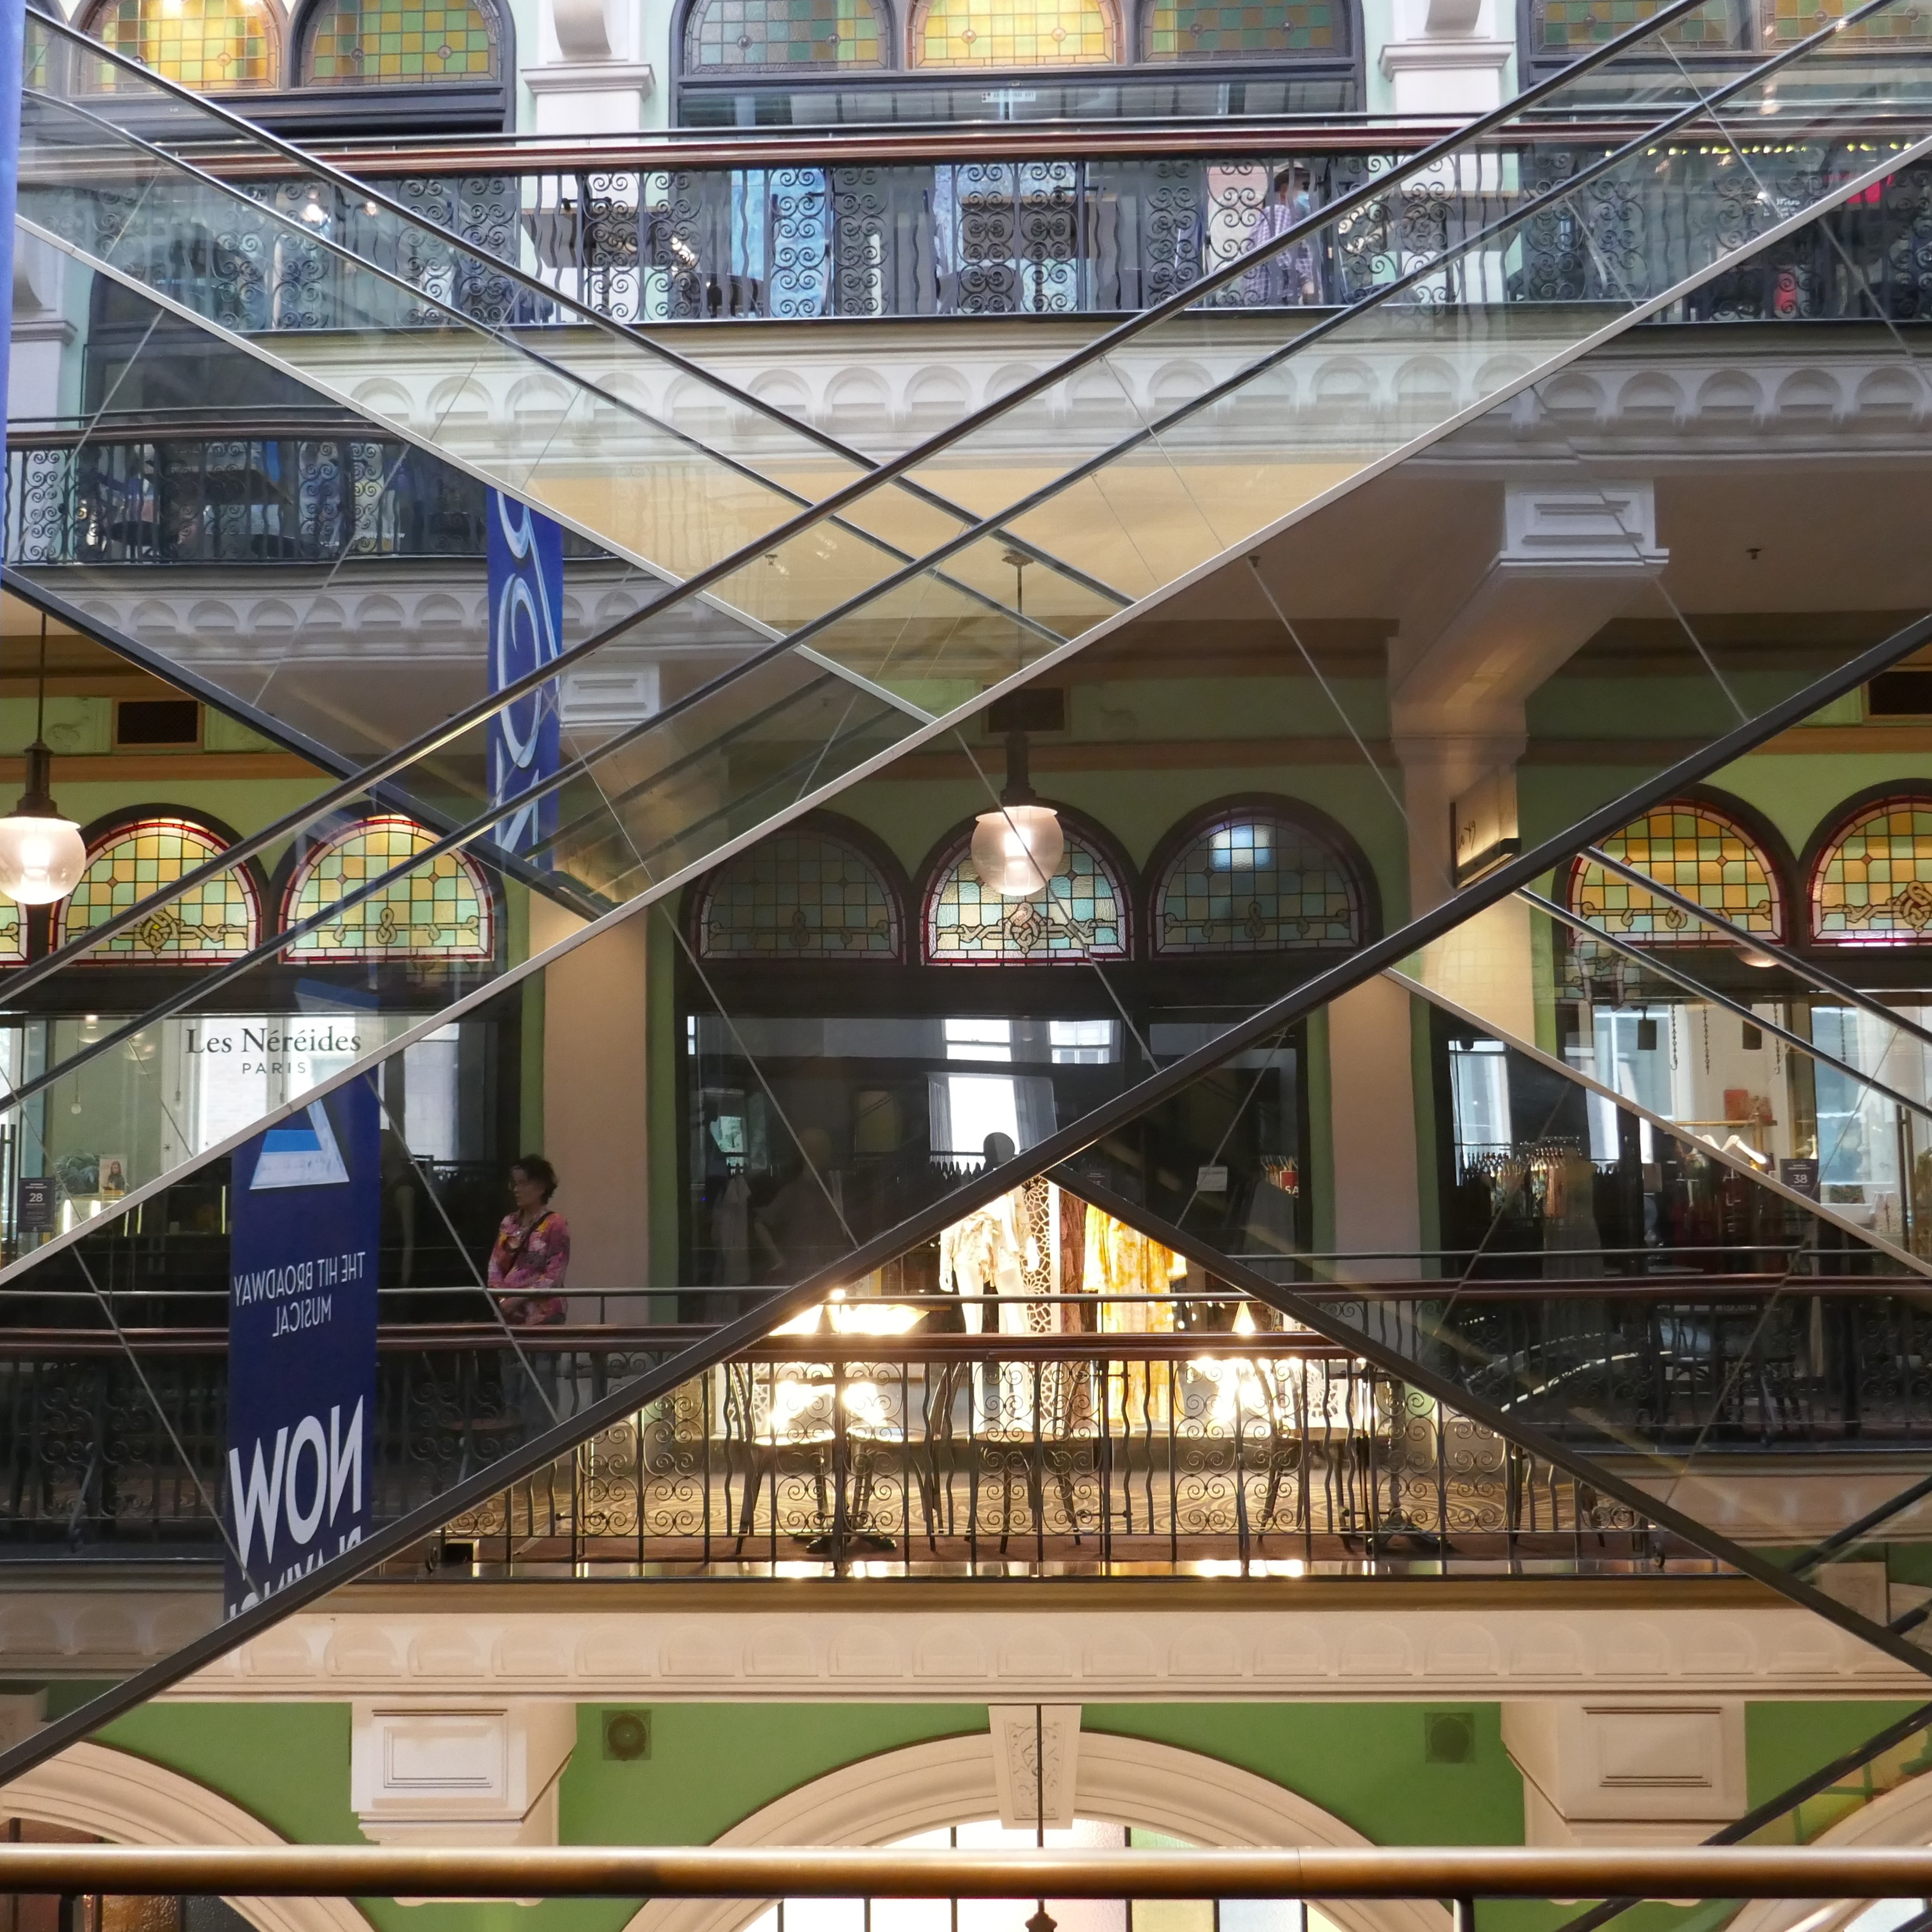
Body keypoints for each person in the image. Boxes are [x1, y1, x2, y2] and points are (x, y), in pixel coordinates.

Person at [488, 1155, 570, 1326]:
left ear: (540, 1187)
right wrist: (504, 1300)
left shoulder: (556, 1224)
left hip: (544, 1314)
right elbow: (495, 1266)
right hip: (510, 1316)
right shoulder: (508, 1223)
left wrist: (518, 1299)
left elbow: (554, 1275)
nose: (516, 1190)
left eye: (523, 1184)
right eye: (514, 1184)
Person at [1250, 166, 1319, 307]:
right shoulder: (1279, 212)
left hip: (1273, 305)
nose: (1311, 194)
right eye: (1306, 187)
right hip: (1271, 305)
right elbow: (1274, 250)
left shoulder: (1294, 226)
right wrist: (1306, 281)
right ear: (1284, 191)